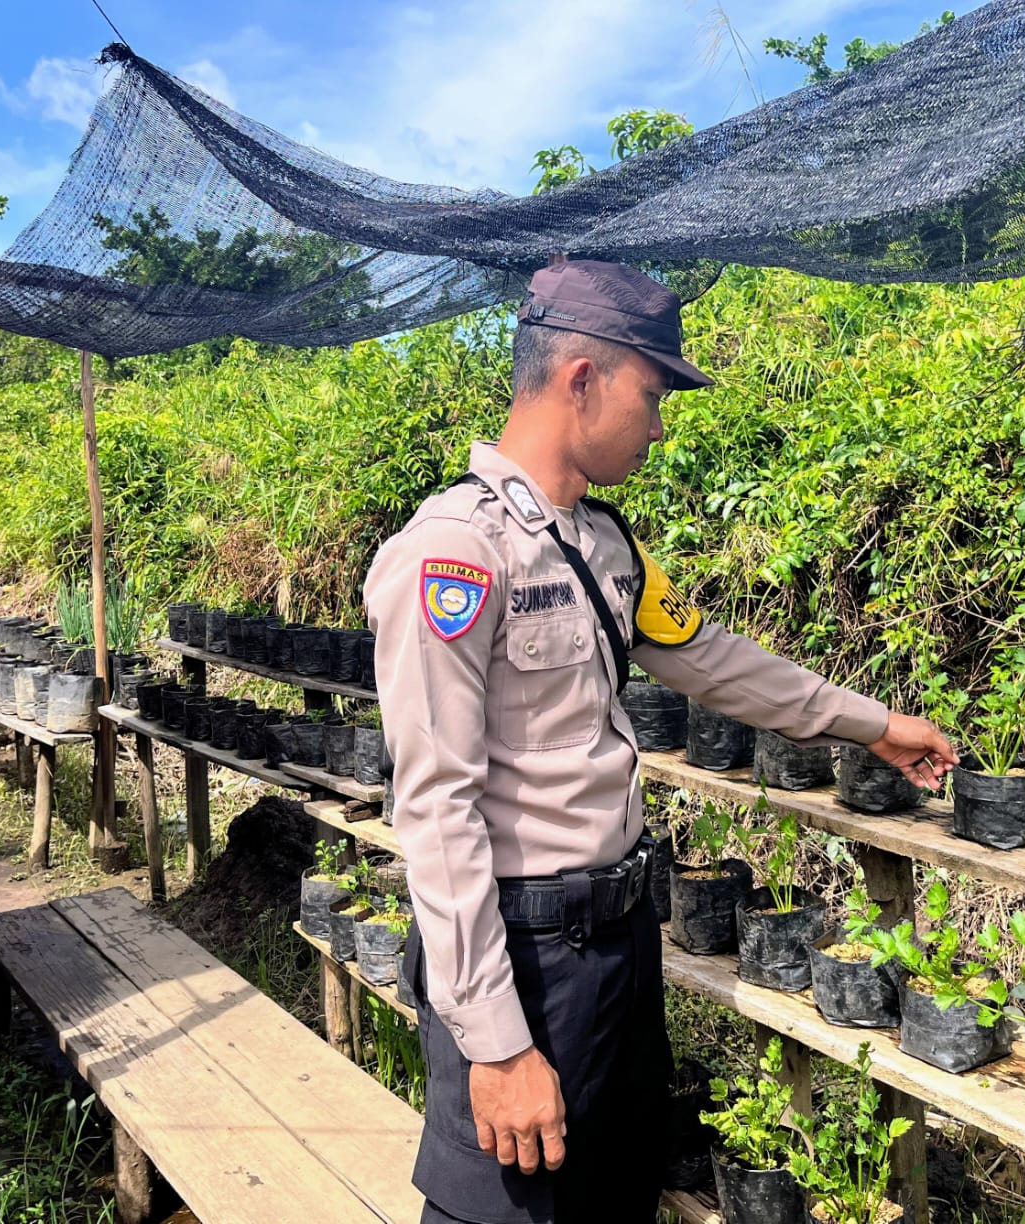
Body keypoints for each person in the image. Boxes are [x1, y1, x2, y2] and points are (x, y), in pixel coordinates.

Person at [363, 259, 959, 1224]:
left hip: (620, 943)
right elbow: (436, 809)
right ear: (582, 379)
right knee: (508, 1212)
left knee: (615, 1199)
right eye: (652, 394)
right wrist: (496, 1043)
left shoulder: (601, 544)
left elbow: (712, 660)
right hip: (521, 956)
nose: (659, 426)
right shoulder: (454, 554)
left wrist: (877, 725)